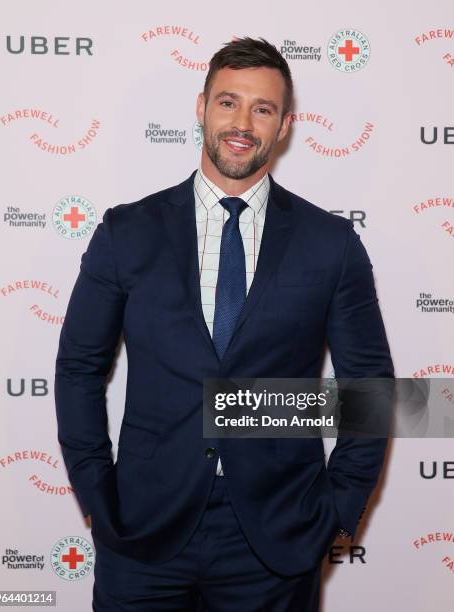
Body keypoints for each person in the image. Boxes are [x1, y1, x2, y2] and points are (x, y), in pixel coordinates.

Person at [55, 37, 394, 611]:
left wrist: (336, 510)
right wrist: (97, 493)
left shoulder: (330, 245)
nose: (242, 123)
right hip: (142, 532)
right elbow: (78, 369)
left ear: (284, 124)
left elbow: (370, 389)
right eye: (227, 102)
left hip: (274, 539)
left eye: (262, 109)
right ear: (201, 107)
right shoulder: (127, 231)